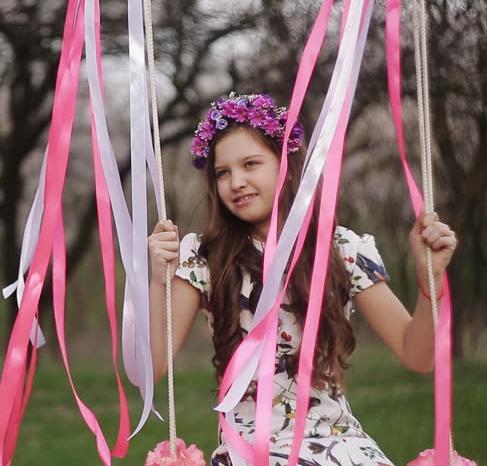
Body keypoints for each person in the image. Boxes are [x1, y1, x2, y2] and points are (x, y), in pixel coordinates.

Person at [147, 93, 457, 466]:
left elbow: (417, 355)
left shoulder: (342, 249)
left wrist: (429, 278)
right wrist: (158, 282)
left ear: (287, 167)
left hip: (341, 443)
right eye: (223, 172)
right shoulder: (203, 256)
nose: (236, 182)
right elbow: (153, 367)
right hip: (253, 449)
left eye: (250, 164)